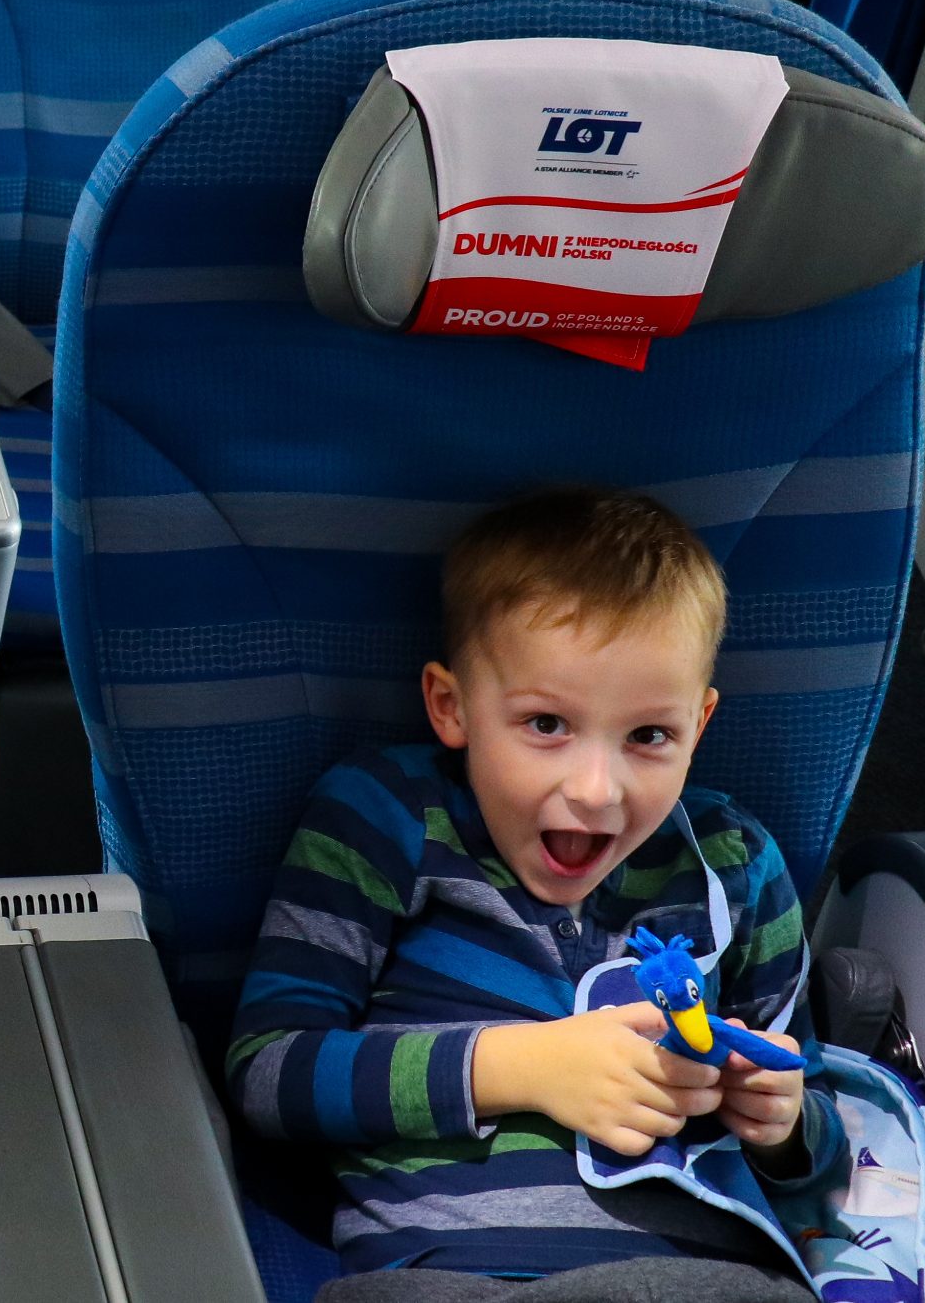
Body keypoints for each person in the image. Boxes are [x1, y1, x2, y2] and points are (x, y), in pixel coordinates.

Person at [227, 488, 842, 1302]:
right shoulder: (389, 816)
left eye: (649, 736)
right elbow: (269, 1073)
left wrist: (783, 1124)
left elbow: (822, 1123)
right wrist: (522, 1066)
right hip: (452, 1276)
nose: (596, 790)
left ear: (699, 725)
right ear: (451, 706)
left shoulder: (733, 861)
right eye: (547, 725)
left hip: (701, 1281)